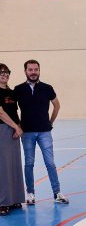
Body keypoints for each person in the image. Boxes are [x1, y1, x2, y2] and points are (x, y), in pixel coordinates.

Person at [14, 60, 69, 204]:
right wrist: (17, 125)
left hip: (45, 132)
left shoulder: (47, 88)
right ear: (25, 71)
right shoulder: (18, 89)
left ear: (39, 70)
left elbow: (56, 105)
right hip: (27, 133)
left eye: (36, 69)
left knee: (50, 163)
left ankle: (57, 193)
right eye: (30, 69)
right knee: (29, 163)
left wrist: (50, 122)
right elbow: (12, 109)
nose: (33, 72)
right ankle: (30, 194)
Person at [0, 63, 25, 216]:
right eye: (1, 72)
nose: (4, 75)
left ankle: (15, 198)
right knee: (3, 166)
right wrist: (16, 127)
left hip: (14, 131)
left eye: (6, 72)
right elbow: (1, 113)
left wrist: (19, 126)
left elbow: (16, 111)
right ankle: (3, 202)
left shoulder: (12, 92)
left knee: (14, 164)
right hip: (3, 129)